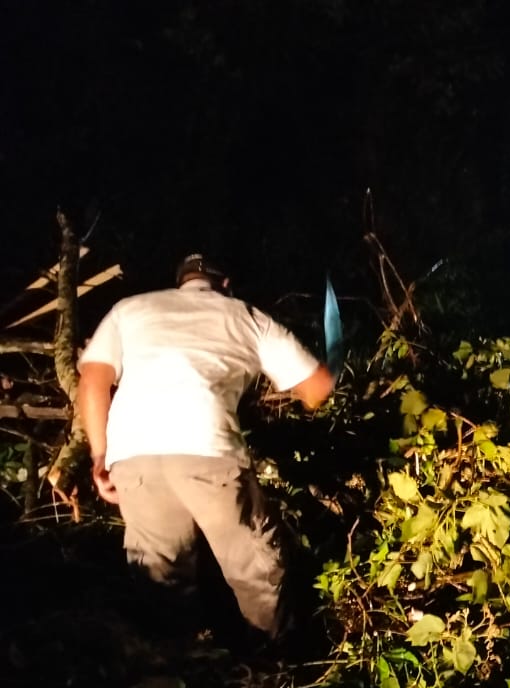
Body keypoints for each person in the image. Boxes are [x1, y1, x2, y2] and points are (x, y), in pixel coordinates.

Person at [77, 254, 335, 639]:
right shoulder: (244, 315)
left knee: (161, 581)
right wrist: (331, 371)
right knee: (255, 570)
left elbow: (92, 381)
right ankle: (276, 661)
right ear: (225, 284)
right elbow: (316, 390)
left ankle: (180, 667)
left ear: (181, 281)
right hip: (208, 450)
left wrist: (100, 456)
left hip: (133, 458)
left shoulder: (129, 309)